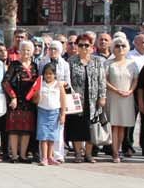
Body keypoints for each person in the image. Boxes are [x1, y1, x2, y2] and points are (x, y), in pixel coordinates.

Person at [66, 33, 107, 163]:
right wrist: (71, 95)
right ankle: (78, 153)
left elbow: (102, 80)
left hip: (93, 100)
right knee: (77, 127)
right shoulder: (71, 61)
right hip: (77, 100)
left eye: (86, 45)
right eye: (81, 45)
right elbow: (68, 80)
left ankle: (88, 154)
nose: (84, 47)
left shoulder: (97, 61)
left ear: (91, 47)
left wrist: (102, 96)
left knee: (92, 127)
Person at [105, 36, 138, 164]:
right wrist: (115, 90)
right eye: (117, 46)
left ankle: (119, 149)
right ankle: (114, 152)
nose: (120, 48)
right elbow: (104, 80)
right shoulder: (108, 63)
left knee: (123, 126)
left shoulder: (132, 63)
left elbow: (135, 79)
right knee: (114, 125)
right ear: (113, 48)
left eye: (123, 46)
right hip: (113, 96)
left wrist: (131, 90)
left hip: (127, 96)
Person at [33, 62, 65, 166]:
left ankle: (51, 157)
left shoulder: (59, 85)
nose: (48, 75)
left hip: (54, 112)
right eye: (46, 73)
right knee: (43, 136)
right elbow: (35, 101)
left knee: (52, 136)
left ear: (55, 74)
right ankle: (44, 158)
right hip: (42, 111)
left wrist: (62, 114)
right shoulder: (40, 84)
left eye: (50, 73)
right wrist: (37, 94)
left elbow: (63, 100)